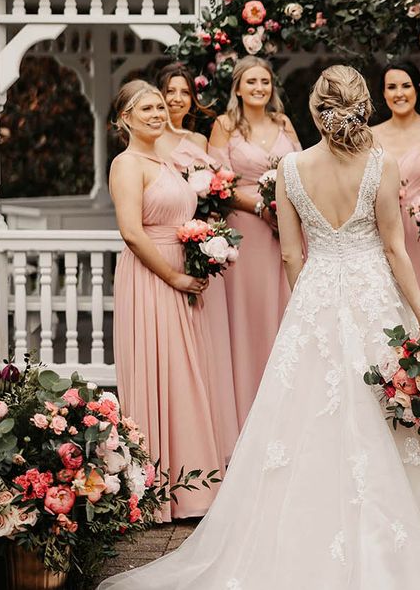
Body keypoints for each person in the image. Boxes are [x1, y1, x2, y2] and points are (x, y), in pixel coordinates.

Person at [99, 68, 420, 590]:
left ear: (314, 109)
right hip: (374, 296)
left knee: (304, 414)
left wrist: (305, 304)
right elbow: (395, 249)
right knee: (390, 414)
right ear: (362, 104)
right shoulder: (381, 164)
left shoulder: (290, 168)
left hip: (316, 297)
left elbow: (289, 253)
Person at [109, 79, 225, 521]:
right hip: (151, 276)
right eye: (147, 109)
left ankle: (193, 486)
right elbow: (132, 232)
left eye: (160, 107)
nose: (158, 114)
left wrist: (202, 249)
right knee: (161, 369)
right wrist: (175, 274)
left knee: (186, 374)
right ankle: (157, 494)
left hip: (180, 272)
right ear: (126, 119)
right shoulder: (127, 164)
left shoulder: (167, 159)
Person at [208, 56, 301, 428]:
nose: (259, 88)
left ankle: (285, 410)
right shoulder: (224, 125)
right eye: (251, 82)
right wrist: (262, 205)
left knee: (281, 312)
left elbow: (301, 171)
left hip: (284, 231)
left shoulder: (283, 123)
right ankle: (246, 412)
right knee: (247, 315)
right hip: (244, 231)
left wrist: (283, 208)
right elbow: (218, 185)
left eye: (265, 81)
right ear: (238, 88)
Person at [156, 62, 239, 462]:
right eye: (169, 91)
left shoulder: (198, 139)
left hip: (198, 243)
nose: (175, 99)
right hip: (166, 242)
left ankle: (209, 443)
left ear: (192, 99)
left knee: (204, 341)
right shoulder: (150, 140)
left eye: (183, 92)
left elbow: (215, 192)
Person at [371, 62, 420, 300]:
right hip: (383, 227)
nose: (399, 93)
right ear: (383, 93)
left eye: (406, 86)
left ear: (418, 88)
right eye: (391, 87)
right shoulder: (370, 134)